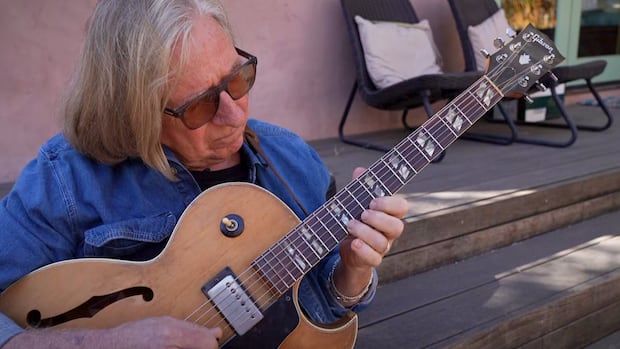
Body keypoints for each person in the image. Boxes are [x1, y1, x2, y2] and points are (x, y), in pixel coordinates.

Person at [0, 1, 408, 348]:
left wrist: (351, 273)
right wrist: (108, 342)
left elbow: (324, 303)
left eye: (237, 78)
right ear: (134, 113)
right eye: (201, 104)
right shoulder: (66, 179)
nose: (235, 113)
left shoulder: (293, 160)